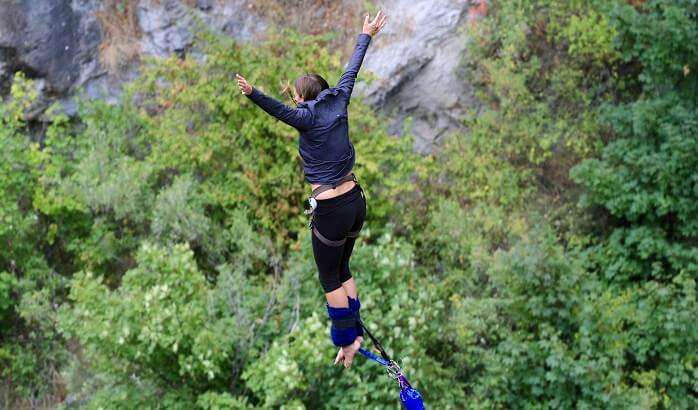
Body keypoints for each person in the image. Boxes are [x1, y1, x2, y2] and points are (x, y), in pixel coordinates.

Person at [236, 10, 387, 368]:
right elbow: (352, 69)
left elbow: (277, 110)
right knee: (343, 268)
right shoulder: (340, 97)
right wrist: (366, 34)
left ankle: (347, 342)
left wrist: (253, 93)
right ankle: (356, 330)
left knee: (328, 276)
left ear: (303, 99)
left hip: (332, 209)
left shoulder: (304, 116)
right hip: (355, 200)